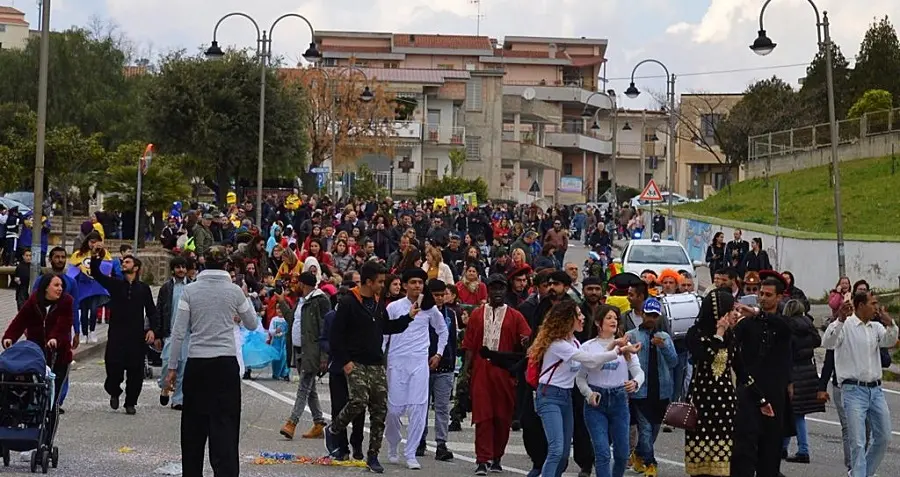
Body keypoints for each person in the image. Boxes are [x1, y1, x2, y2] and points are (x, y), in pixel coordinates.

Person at [163, 245, 259, 477]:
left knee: (193, 428)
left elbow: (178, 332)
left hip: (197, 363)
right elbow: (252, 323)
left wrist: (172, 368)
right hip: (225, 363)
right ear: (227, 265)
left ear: (203, 264)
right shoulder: (234, 291)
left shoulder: (190, 291)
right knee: (225, 427)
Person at [324, 261, 420, 474]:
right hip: (355, 362)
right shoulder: (349, 302)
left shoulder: (378, 302)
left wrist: (408, 318)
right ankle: (334, 429)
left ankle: (373, 456)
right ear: (368, 282)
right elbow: (335, 336)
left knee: (379, 410)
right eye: (379, 282)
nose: (382, 286)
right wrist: (345, 361)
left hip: (376, 364)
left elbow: (386, 327)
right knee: (358, 401)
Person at [530, 300, 636, 477]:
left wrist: (615, 345)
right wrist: (619, 350)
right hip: (549, 396)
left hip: (566, 397)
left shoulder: (574, 343)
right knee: (556, 450)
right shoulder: (559, 344)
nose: (583, 318)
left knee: (563, 453)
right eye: (578, 315)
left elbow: (593, 361)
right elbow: (592, 360)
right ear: (567, 319)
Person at [822, 290, 898, 477]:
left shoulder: (875, 327)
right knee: (857, 441)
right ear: (861, 305)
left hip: (875, 389)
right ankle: (859, 474)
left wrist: (891, 324)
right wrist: (839, 320)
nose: (876, 307)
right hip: (853, 389)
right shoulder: (845, 325)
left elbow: (889, 341)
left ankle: (862, 473)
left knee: (883, 436)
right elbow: (828, 342)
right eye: (873, 303)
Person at [463, 274, 532, 476]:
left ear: (506, 290)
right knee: (483, 417)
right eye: (493, 288)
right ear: (488, 290)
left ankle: (497, 457)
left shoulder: (515, 316)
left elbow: (525, 340)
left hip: (504, 372)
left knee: (502, 417)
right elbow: (469, 346)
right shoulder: (477, 315)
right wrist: (466, 374)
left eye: (501, 288)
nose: (497, 292)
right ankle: (482, 459)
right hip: (482, 371)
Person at [384, 268, 449, 469]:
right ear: (404, 285)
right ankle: (393, 445)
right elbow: (384, 334)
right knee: (394, 410)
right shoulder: (394, 307)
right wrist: (380, 357)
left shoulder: (429, 309)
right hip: (397, 363)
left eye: (420, 282)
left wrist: (438, 353)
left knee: (419, 408)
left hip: (420, 363)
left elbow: (442, 330)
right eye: (413, 282)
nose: (417, 286)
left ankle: (411, 453)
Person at [730, 276, 794, 477]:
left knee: (771, 450)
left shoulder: (783, 324)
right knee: (743, 450)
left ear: (779, 297)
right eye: (761, 294)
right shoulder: (748, 324)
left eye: (768, 295)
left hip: (774, 394)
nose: (763, 298)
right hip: (749, 392)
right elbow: (730, 345)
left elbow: (785, 329)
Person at [576, 305, 644, 477]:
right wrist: (588, 394)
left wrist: (635, 382)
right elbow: (581, 377)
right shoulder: (588, 347)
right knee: (602, 453)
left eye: (615, 318)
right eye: (609, 317)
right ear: (599, 322)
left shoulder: (626, 345)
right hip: (596, 402)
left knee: (622, 454)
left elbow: (638, 371)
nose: (613, 321)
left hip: (619, 401)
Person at [89, 244, 157, 415]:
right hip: (116, 334)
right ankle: (114, 391)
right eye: (123, 262)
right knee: (113, 367)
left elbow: (151, 310)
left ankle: (130, 402)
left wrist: (153, 330)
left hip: (136, 335)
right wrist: (96, 257)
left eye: (127, 262)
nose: (123, 264)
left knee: (136, 371)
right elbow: (97, 274)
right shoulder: (115, 285)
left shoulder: (143, 288)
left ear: (136, 267)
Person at [684, 287, 737, 477]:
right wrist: (719, 334)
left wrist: (760, 398)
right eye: (730, 311)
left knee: (723, 457)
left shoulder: (732, 335)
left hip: (724, 402)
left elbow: (740, 366)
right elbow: (707, 356)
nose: (734, 314)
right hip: (701, 400)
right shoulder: (695, 333)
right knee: (700, 459)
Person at [3, 274, 74, 411]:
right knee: (33, 381)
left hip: (58, 353)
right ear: (46, 288)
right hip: (36, 351)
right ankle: (33, 405)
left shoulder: (66, 301)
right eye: (56, 285)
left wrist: (54, 338)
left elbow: (64, 324)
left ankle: (52, 407)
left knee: (56, 383)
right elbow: (20, 320)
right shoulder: (34, 301)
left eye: (61, 286)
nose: (60, 289)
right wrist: (9, 337)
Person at [625, 298, 677, 477]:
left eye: (654, 316)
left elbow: (674, 362)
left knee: (654, 430)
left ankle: (639, 454)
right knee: (645, 429)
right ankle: (650, 463)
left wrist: (664, 347)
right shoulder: (632, 335)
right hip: (641, 391)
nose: (651, 319)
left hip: (661, 391)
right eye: (648, 315)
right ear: (643, 315)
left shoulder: (665, 337)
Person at [278, 272, 330, 440]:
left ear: (304, 284)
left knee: (303, 387)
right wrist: (282, 302)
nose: (296, 286)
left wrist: (324, 356)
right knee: (310, 389)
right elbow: (291, 319)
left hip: (312, 350)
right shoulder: (301, 302)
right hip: (299, 350)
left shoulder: (320, 301)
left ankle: (292, 422)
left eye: (298, 283)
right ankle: (318, 422)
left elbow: (325, 329)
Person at [781, 298, 825, 464]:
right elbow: (817, 341)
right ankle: (784, 448)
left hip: (794, 371)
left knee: (793, 413)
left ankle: (802, 449)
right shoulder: (808, 324)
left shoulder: (788, 326)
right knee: (796, 412)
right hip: (808, 369)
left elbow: (787, 352)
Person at [418, 280, 457, 461]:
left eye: (443, 294)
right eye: (436, 295)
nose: (440, 298)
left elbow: (453, 341)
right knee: (422, 406)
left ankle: (441, 443)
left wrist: (450, 359)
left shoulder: (451, 314)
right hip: (424, 364)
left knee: (442, 407)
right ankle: (420, 439)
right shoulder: (422, 313)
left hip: (445, 366)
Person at [156, 256, 194, 410]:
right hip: (170, 332)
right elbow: (159, 310)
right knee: (167, 363)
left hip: (187, 334)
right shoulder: (166, 288)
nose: (181, 270)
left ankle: (178, 399)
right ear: (173, 270)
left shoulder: (192, 287)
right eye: (178, 267)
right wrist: (158, 334)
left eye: (184, 267)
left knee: (184, 365)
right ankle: (165, 387)